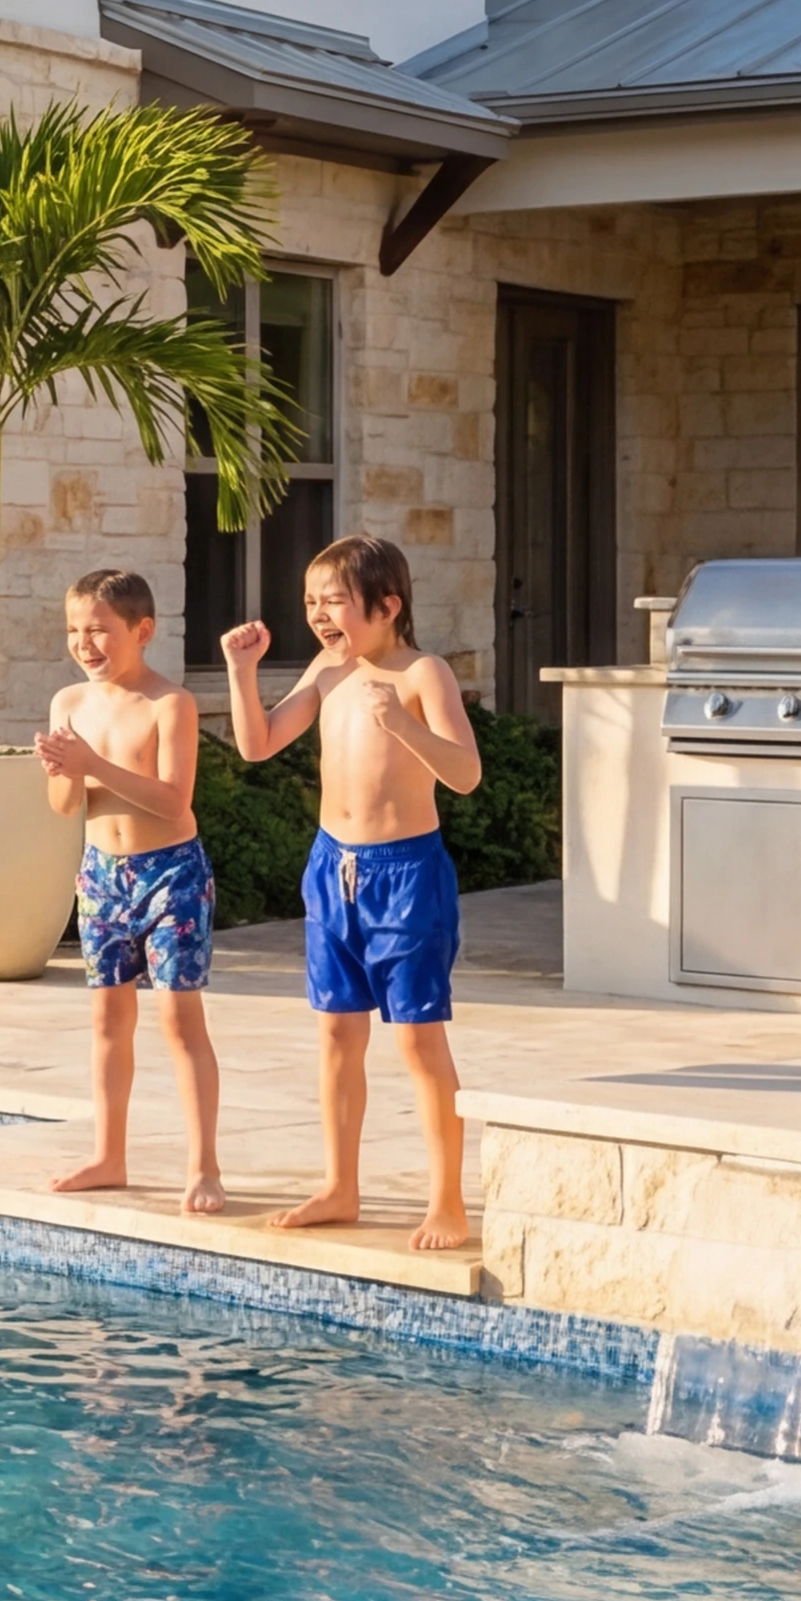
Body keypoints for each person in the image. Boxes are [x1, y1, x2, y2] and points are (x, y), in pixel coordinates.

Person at [223, 533, 486, 1255]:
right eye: (310, 601)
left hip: (405, 877)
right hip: (331, 869)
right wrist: (241, 672)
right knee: (338, 1035)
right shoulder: (328, 667)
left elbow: (465, 773)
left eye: (332, 600)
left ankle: (448, 1201)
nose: (318, 615)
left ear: (388, 604)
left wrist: (402, 723)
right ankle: (340, 1185)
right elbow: (259, 744)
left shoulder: (421, 674)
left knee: (417, 1040)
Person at [34, 567, 227, 1214]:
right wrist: (65, 771)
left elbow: (174, 802)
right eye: (74, 631)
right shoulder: (69, 704)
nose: (85, 644)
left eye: (99, 631)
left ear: (141, 631)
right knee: (107, 1021)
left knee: (178, 1019)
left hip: (170, 874)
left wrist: (92, 767)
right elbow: (65, 806)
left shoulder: (170, 704)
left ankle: (204, 1167)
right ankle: (109, 1155)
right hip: (101, 875)